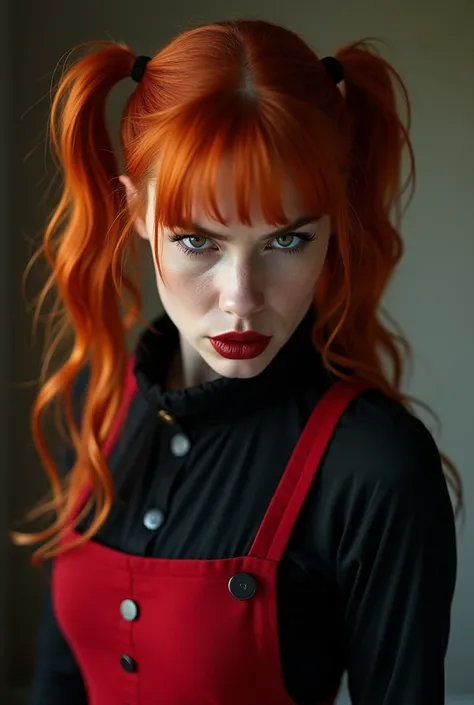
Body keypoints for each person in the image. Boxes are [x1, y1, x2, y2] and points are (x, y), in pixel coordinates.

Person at [13, 17, 460, 705]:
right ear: (136, 211)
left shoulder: (376, 466)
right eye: (197, 240)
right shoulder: (91, 405)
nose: (242, 299)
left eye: (286, 240)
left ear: (332, 225)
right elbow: (57, 681)